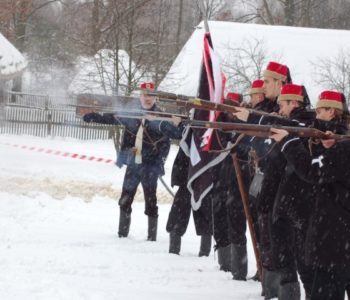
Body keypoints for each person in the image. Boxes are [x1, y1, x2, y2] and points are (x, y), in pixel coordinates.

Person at [270, 92, 350, 299]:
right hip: (337, 240)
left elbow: (312, 171)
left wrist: (288, 143)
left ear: (332, 111)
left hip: (336, 242)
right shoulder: (342, 145)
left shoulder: (345, 147)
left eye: (321, 110)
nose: (317, 114)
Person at [83, 82, 171, 241]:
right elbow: (112, 118)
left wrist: (160, 162)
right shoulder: (131, 111)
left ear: (156, 97)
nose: (148, 98)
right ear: (140, 96)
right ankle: (122, 235)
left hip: (150, 166)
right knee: (125, 199)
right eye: (145, 94)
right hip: (133, 163)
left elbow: (166, 144)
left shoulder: (161, 116)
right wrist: (94, 116)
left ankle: (152, 238)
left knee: (151, 202)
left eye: (151, 95)